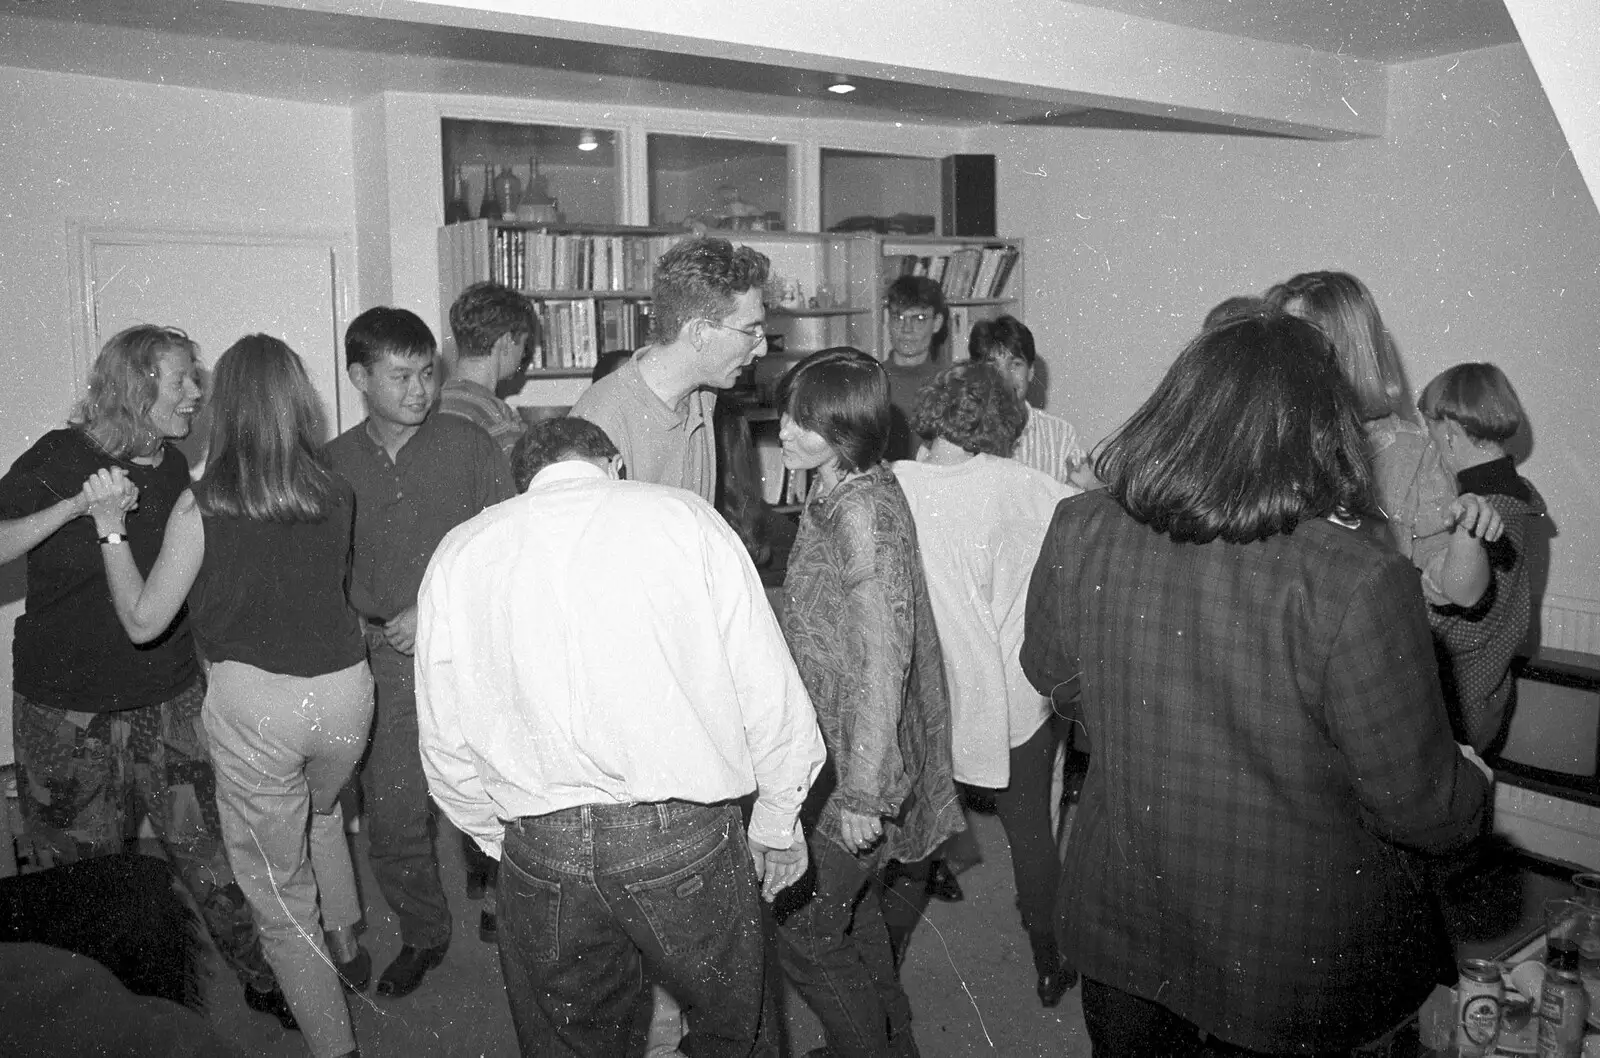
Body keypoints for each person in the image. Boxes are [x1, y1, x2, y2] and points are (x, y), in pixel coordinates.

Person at [1021, 312, 1491, 1056]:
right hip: (1288, 959)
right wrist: (1470, 781)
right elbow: (1420, 807)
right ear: (1324, 430)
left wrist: (1142, 712)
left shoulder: (1081, 524)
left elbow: (1052, 675)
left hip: (1125, 922)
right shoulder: (1359, 577)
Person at [414, 416, 824, 1058]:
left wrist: (504, 839)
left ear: (524, 483)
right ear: (614, 465)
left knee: (573, 1043)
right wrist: (776, 819)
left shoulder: (461, 550)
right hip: (679, 837)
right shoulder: (683, 517)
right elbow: (767, 687)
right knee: (731, 1032)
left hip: (538, 843)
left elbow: (443, 742)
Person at [81, 335, 373, 1058]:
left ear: (227, 408)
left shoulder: (201, 505)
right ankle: (348, 936)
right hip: (345, 695)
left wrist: (112, 532)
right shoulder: (337, 491)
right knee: (324, 809)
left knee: (278, 902)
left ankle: (339, 1049)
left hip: (257, 708)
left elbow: (145, 622)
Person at [0, 324, 289, 1027]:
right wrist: (79, 508)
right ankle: (98, 1009)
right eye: (183, 379)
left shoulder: (168, 465)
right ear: (136, 387)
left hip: (168, 700)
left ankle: (264, 978)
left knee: (214, 855)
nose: (197, 392)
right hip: (68, 715)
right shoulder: (59, 455)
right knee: (85, 875)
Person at [773, 347, 963, 1058]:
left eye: (802, 422)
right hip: (841, 742)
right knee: (850, 923)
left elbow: (884, 663)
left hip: (857, 763)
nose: (784, 431)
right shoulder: (842, 487)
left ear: (846, 429)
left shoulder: (861, 515)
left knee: (808, 935)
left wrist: (861, 796)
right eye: (787, 414)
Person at [325, 306, 514, 999]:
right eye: (399, 376)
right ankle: (425, 933)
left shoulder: (471, 447)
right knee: (396, 817)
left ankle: (518, 916)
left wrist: (431, 608)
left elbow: (506, 551)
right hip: (382, 661)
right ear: (358, 377)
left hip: (469, 655)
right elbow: (324, 570)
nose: (418, 390)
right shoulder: (332, 463)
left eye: (426, 373)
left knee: (499, 798)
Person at [892, 361, 1080, 1007]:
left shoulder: (894, 483)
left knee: (915, 824)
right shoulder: (1025, 484)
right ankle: (1049, 958)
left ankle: (883, 959)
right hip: (1010, 688)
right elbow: (1084, 521)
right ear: (1001, 424)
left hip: (927, 690)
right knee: (1031, 828)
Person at [1264, 270, 1503, 608]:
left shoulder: (1410, 454)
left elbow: (1461, 592)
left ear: (1350, 353)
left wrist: (1467, 535)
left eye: (1303, 344)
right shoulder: (1263, 440)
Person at [440, 280, 540, 941]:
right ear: (504, 343)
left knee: (459, 745)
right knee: (509, 754)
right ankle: (503, 899)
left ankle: (477, 872)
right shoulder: (501, 425)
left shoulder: (423, 408)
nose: (524, 361)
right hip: (491, 607)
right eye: (524, 348)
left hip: (437, 601)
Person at [569, 236, 770, 503]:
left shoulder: (703, 394)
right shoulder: (601, 421)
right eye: (750, 330)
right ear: (700, 332)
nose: (762, 348)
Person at [1418, 362, 1547, 751]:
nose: (1432, 447)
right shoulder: (1518, 494)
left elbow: (1460, 616)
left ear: (1452, 435)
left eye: (1433, 434)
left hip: (1457, 709)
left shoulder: (1483, 513)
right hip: (1489, 696)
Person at [968, 314, 1096, 489]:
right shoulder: (961, 433)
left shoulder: (1061, 435)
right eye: (992, 365)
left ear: (1030, 372)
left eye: (1015, 364)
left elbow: (1082, 501)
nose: (1004, 377)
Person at [441, 280, 539, 462]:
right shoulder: (496, 417)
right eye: (524, 344)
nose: (523, 355)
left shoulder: (435, 403)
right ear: (507, 342)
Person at [881, 275, 948, 462]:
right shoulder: (871, 380)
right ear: (889, 322)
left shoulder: (949, 384)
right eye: (898, 317)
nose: (906, 329)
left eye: (918, 318)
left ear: (936, 323)